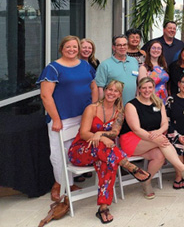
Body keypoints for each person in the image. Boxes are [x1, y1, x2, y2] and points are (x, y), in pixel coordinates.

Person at [68, 81, 151, 224]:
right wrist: (101, 138)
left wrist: (100, 134)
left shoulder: (119, 113)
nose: (112, 93)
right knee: (105, 149)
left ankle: (103, 208)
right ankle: (129, 166)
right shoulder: (92, 108)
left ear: (119, 95)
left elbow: (114, 133)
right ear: (105, 91)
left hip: (104, 153)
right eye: (109, 89)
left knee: (108, 163)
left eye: (116, 91)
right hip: (81, 151)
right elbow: (83, 134)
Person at [119, 77, 184, 199]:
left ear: (153, 88)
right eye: (144, 88)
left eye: (150, 87)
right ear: (139, 89)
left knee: (160, 155)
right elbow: (136, 129)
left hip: (151, 138)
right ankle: (183, 169)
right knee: (163, 142)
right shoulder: (131, 105)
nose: (147, 90)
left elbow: (165, 124)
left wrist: (157, 133)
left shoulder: (158, 103)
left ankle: (146, 181)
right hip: (132, 139)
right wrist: (155, 138)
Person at [38, 35, 98, 201]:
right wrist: (55, 118)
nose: (72, 50)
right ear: (62, 49)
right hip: (62, 118)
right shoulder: (53, 68)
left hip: (83, 116)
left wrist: (93, 109)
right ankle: (59, 184)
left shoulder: (85, 65)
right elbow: (45, 96)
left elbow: (93, 87)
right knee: (58, 153)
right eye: (68, 47)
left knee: (74, 149)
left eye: (75, 47)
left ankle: (69, 183)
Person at [95, 35, 140, 105]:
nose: (122, 47)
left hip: (132, 106)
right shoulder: (105, 65)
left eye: (125, 45)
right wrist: (102, 106)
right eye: (119, 45)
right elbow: (100, 88)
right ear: (114, 47)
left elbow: (137, 83)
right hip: (113, 107)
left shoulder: (134, 61)